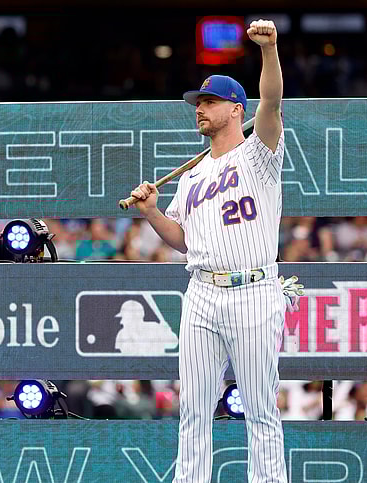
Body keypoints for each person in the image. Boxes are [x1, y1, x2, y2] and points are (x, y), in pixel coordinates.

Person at [130, 19, 289, 482]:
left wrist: (269, 50)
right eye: (197, 103)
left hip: (253, 290)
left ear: (236, 109)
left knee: (260, 410)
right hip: (201, 292)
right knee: (193, 411)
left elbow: (273, 102)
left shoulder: (259, 152)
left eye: (210, 102)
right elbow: (182, 239)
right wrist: (152, 213)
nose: (199, 109)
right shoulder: (194, 174)